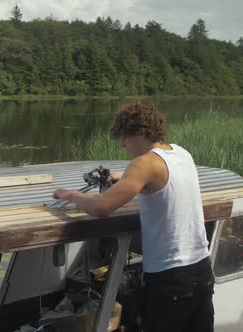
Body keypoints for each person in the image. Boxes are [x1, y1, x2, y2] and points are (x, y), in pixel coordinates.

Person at [53, 101, 214, 332]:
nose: (121, 145)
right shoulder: (181, 153)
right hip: (202, 271)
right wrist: (123, 177)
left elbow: (101, 208)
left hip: (171, 279)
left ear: (140, 132)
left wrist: (72, 195)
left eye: (124, 138)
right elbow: (159, 178)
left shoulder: (144, 164)